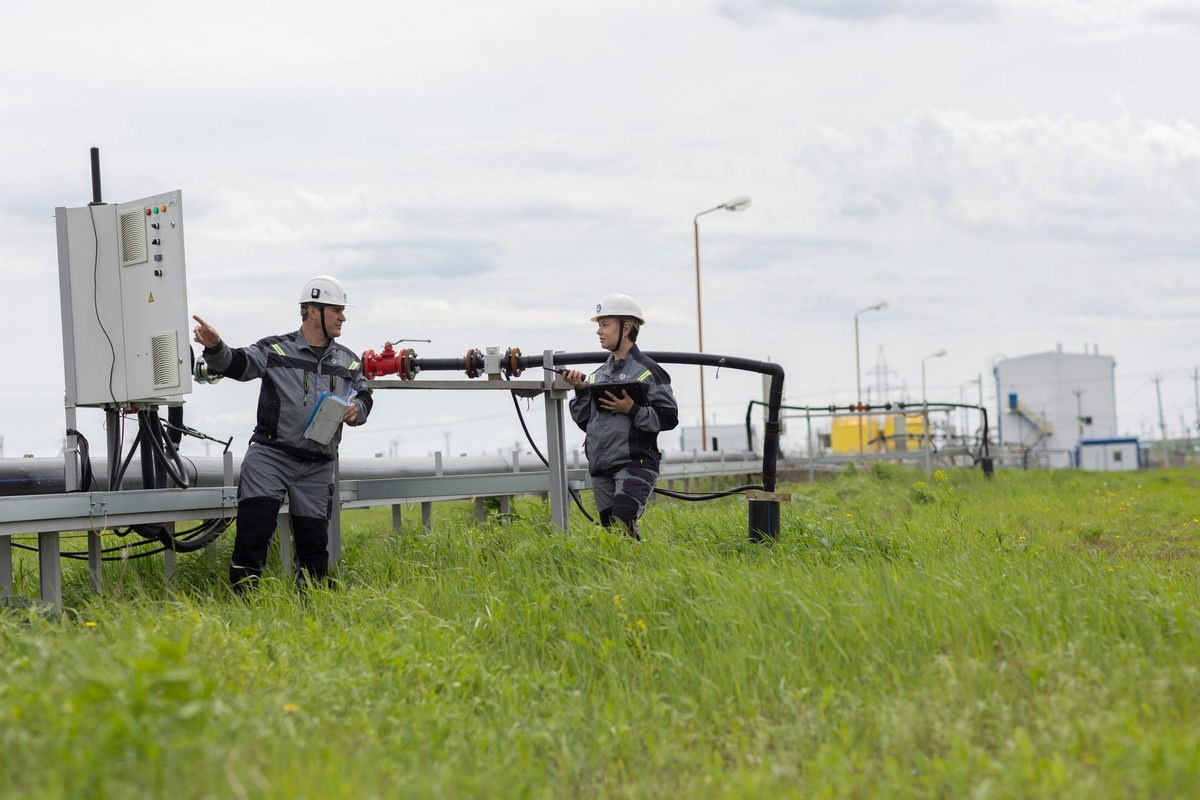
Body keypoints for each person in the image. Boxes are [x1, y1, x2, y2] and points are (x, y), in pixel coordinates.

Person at [192, 275, 373, 591]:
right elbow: (238, 364)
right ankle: (245, 603)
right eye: (337, 310)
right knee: (253, 533)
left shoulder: (349, 361)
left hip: (317, 465)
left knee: (314, 547)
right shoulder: (275, 349)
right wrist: (216, 347)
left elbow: (364, 394)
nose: (343, 317)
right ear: (313, 311)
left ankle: (313, 606)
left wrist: (357, 408)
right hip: (270, 459)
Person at [562, 293, 678, 540]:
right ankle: (632, 565)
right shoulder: (597, 375)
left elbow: (669, 417)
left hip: (635, 464)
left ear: (626, 328)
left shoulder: (649, 371)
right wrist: (581, 391)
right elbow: (586, 423)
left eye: (605, 325)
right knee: (614, 535)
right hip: (601, 467)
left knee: (623, 522)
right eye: (599, 325)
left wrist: (632, 409)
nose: (599, 331)